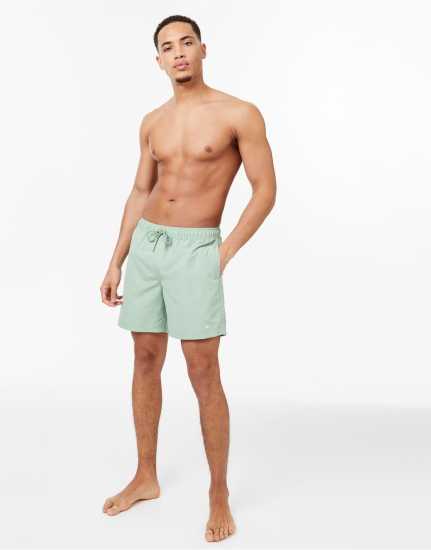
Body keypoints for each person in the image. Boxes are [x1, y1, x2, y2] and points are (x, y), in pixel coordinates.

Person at [100, 14, 277, 543]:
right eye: (167, 47)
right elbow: (140, 191)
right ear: (158, 60)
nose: (177, 52)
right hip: (148, 246)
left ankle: (218, 491)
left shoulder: (238, 114)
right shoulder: (152, 122)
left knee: (203, 372)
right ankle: (146, 476)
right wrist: (116, 259)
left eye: (186, 43)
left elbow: (265, 190)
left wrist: (223, 251)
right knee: (145, 358)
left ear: (203, 49)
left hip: (197, 248)